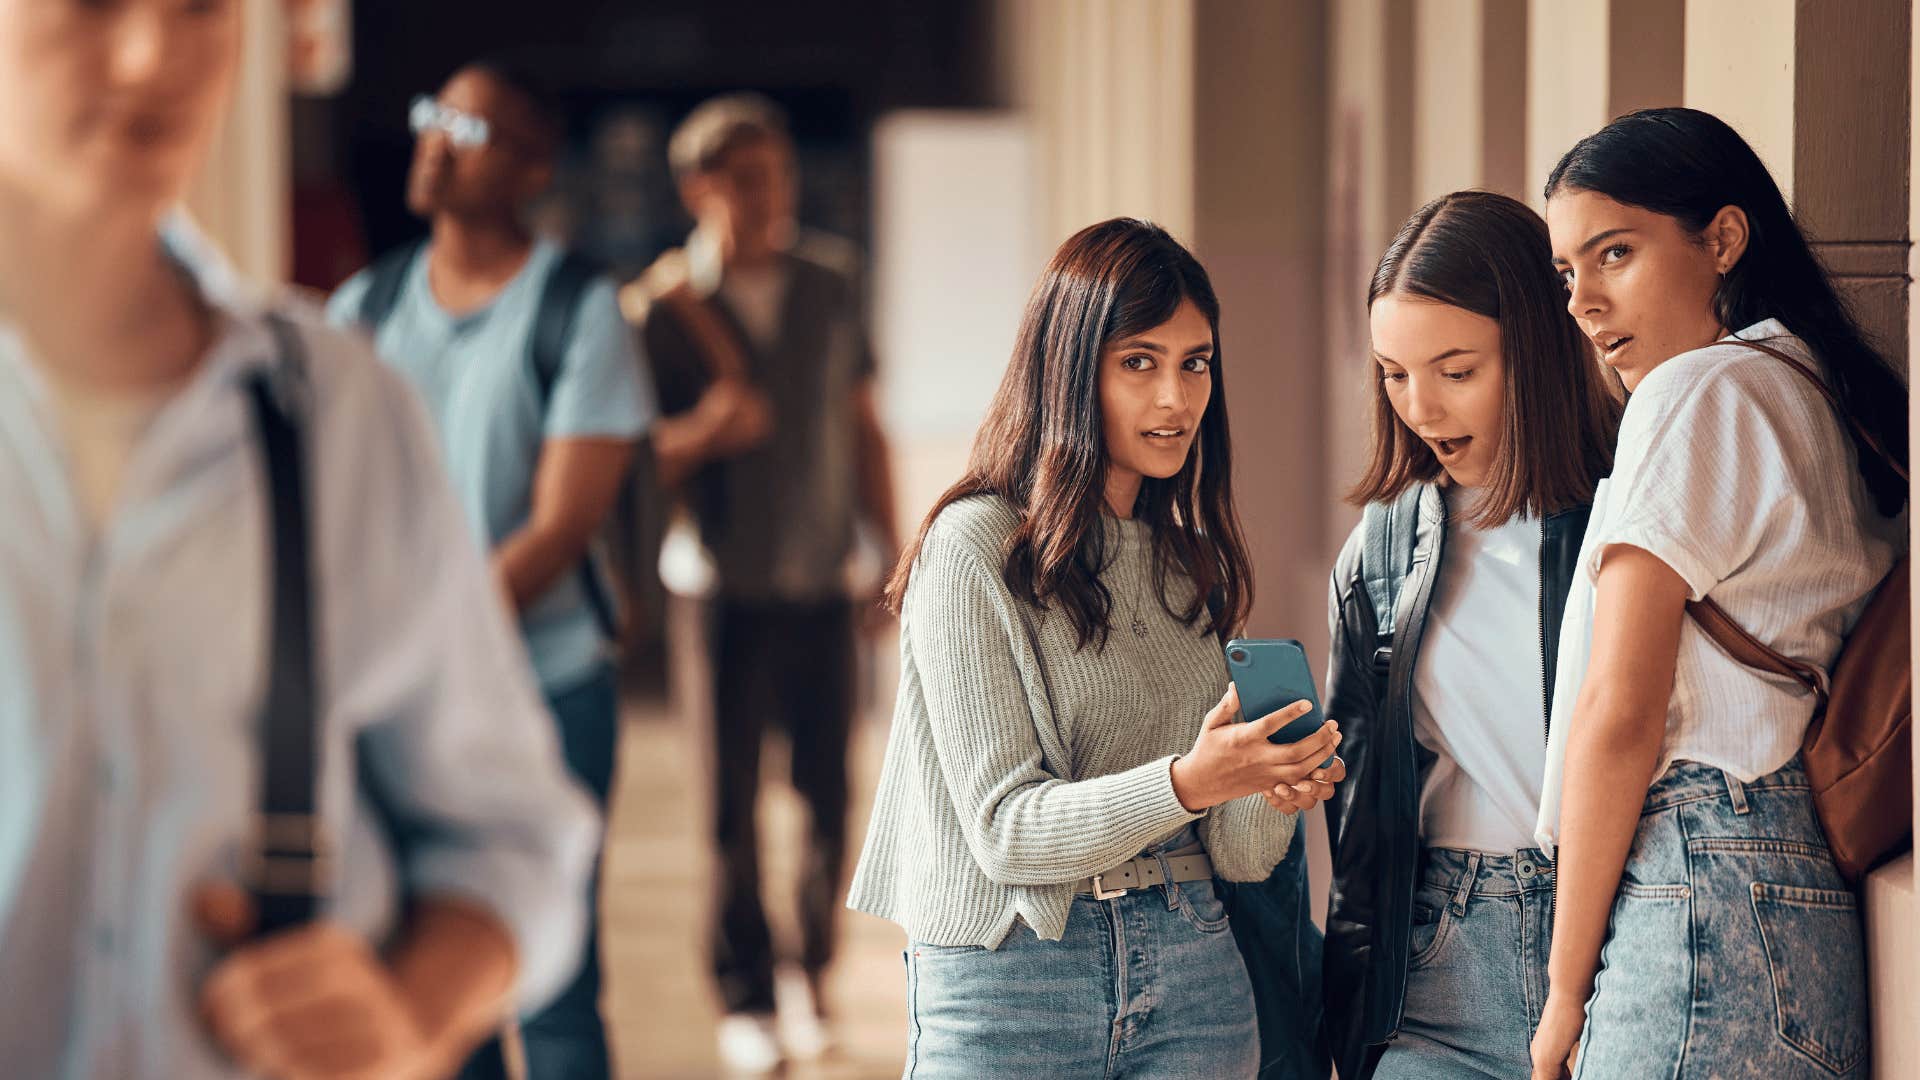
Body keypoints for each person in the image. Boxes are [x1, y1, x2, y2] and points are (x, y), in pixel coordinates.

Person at [0, 3, 597, 1078]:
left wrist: (413, 1014)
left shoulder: (342, 406)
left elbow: (515, 839)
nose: (151, 56)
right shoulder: (377, 304)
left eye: (198, 8)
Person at [848, 217, 1342, 1078]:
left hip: (1195, 978)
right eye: (1139, 362)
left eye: (1195, 362)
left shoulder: (1188, 561)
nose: (1175, 400)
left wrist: (1271, 786)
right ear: (1072, 371)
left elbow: (1235, 852)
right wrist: (1194, 779)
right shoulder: (973, 550)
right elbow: (1005, 830)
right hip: (1013, 983)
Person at [325, 58, 686, 1080]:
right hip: (400, 696)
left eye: (467, 130)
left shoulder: (577, 313)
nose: (433, 141)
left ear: (531, 169)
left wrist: (416, 645)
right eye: (429, 114)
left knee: (551, 976)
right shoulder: (366, 305)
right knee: (444, 979)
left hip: (548, 685)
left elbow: (561, 526)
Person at [1532, 107, 1907, 1080]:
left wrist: (1565, 993)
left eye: (1614, 254)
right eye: (1569, 275)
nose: (1582, 302)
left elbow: (1620, 715)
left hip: (1697, 881)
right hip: (1802, 896)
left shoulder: (1695, 393)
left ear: (1724, 239)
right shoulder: (1829, 395)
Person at [620, 91, 898, 1071]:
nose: (770, 193)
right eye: (746, 178)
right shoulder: (660, 308)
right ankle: (742, 998)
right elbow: (622, 455)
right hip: (717, 589)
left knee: (829, 798)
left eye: (777, 173)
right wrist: (705, 431)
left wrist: (892, 550)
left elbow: (863, 426)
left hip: (823, 576)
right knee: (726, 810)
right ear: (699, 189)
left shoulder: (832, 282)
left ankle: (809, 979)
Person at [1320, 191, 1621, 1080]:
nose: (1421, 406)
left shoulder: (1630, 512)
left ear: (1533, 349)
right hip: (1444, 961)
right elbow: (1362, 817)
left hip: (1619, 937)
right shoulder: (1381, 550)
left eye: (1457, 371)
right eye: (1394, 373)